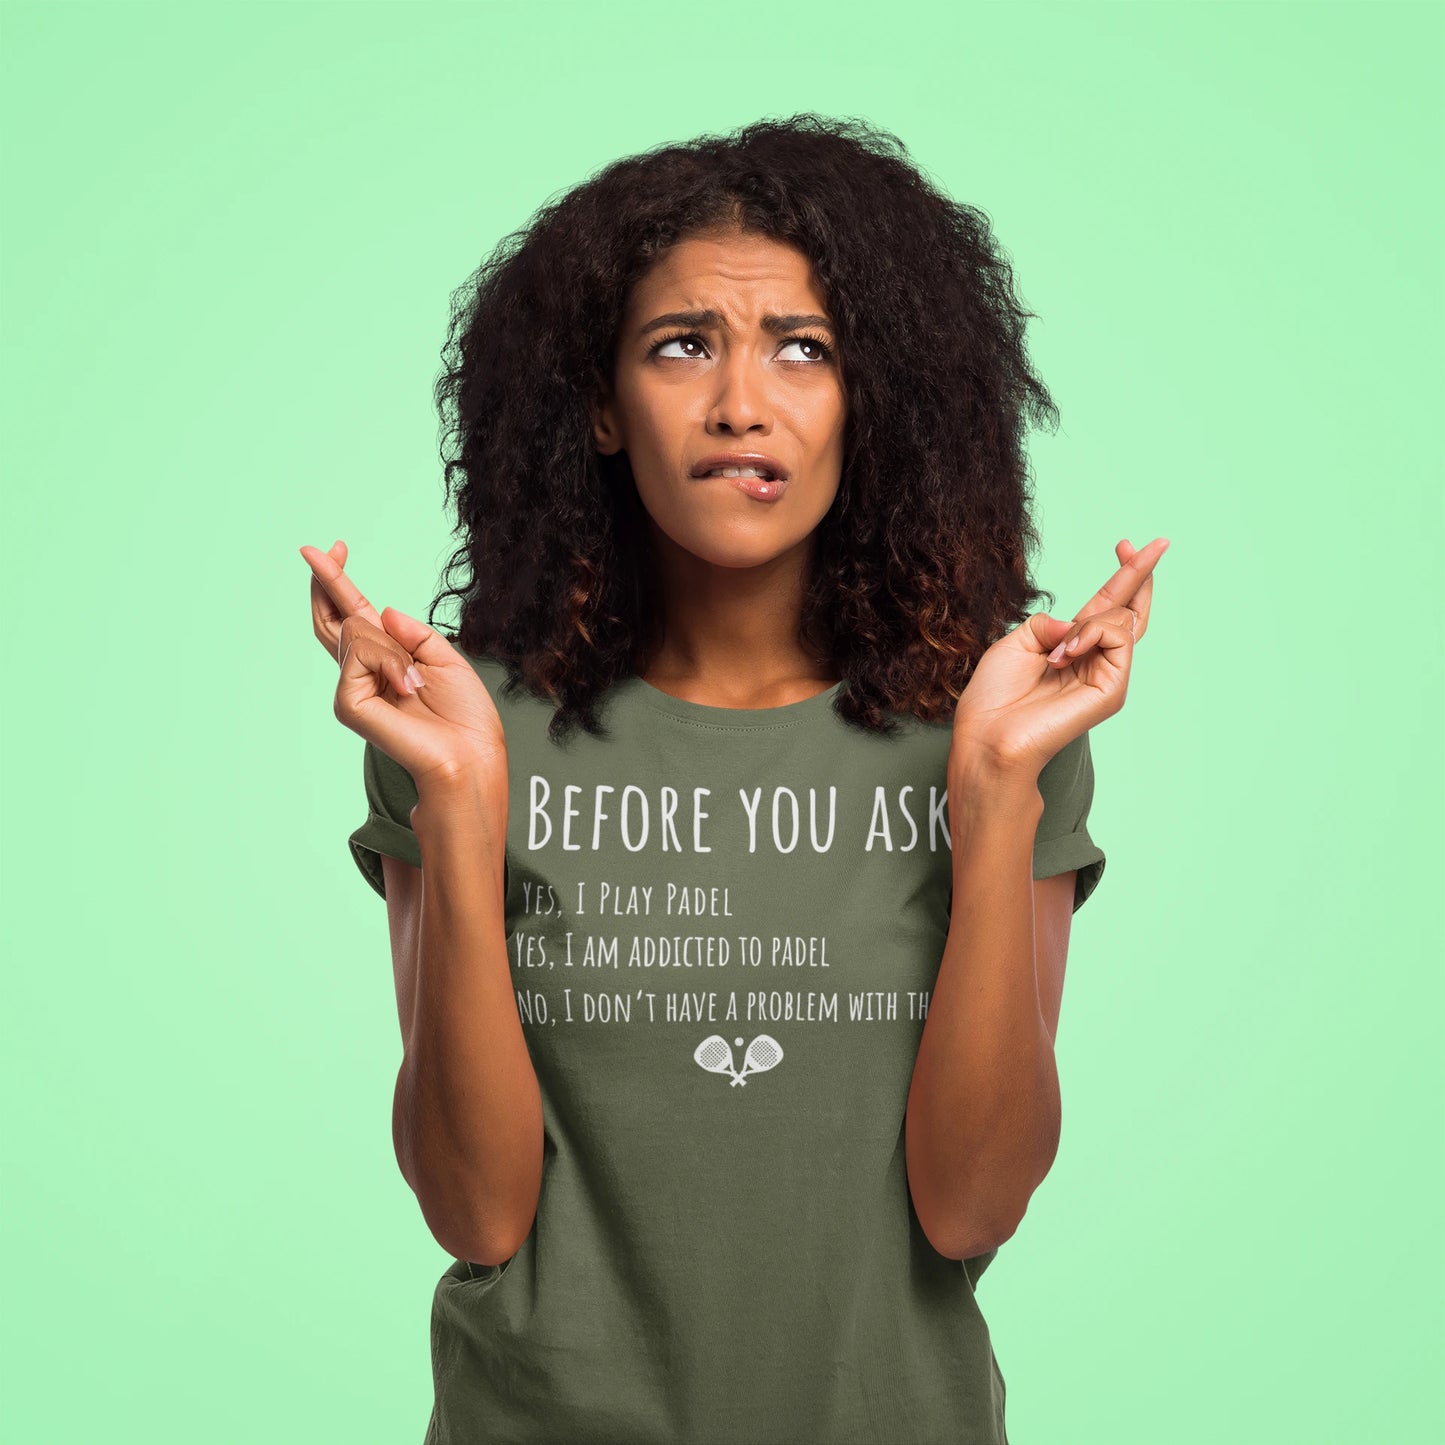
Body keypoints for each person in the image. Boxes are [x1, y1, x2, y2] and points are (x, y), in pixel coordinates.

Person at [301, 113, 1167, 1445]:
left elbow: (973, 1205)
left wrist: (992, 795)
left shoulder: (992, 729)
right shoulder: (468, 723)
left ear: (868, 399)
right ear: (600, 400)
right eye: (681, 344)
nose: (739, 402)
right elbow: (474, 1211)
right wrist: (461, 803)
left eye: (802, 348)